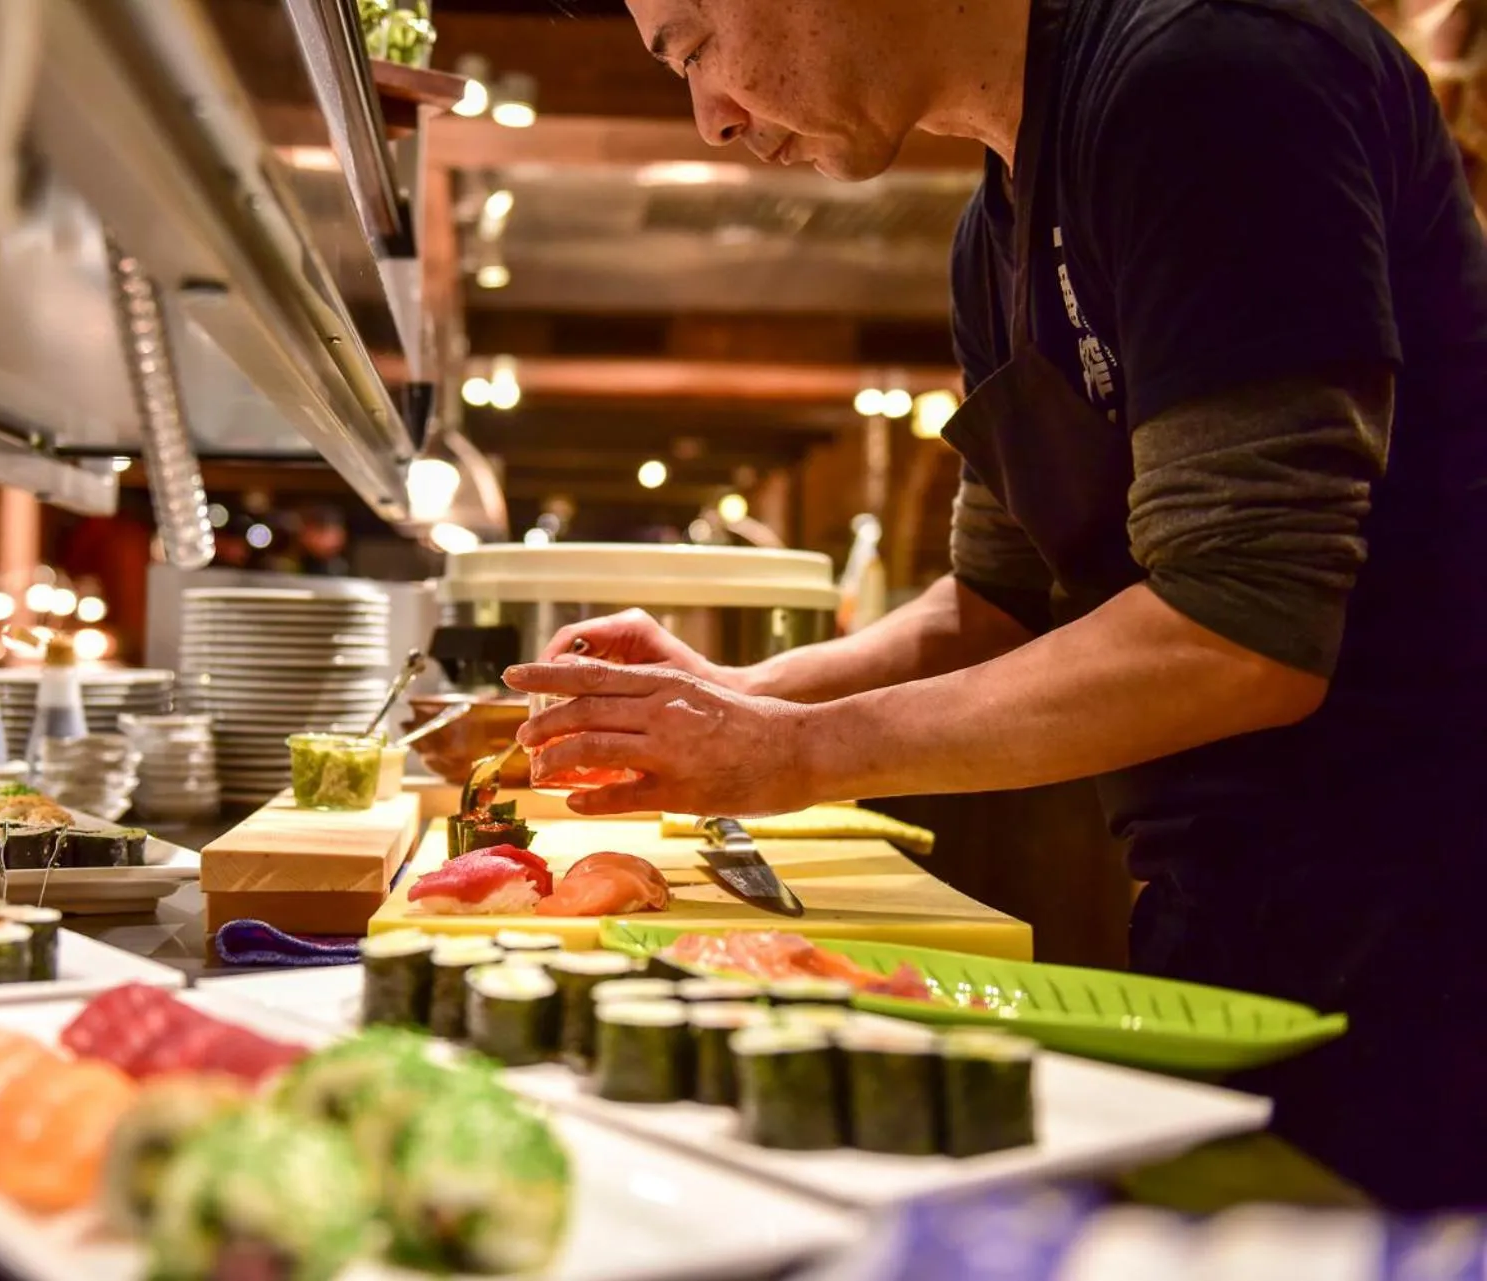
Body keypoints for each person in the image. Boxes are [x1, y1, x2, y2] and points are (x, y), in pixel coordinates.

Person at [505, 0, 1487, 1209]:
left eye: (696, 43)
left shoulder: (1212, 72)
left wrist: (795, 752)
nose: (709, 118)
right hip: (1235, 900)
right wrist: (732, 696)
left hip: (1432, 912)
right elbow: (995, 602)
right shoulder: (996, 231)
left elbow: (1242, 629)